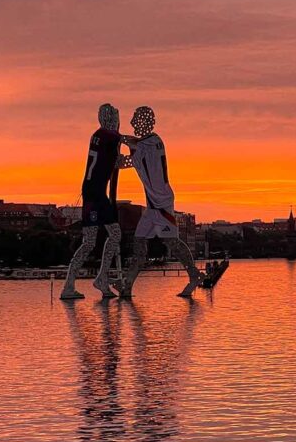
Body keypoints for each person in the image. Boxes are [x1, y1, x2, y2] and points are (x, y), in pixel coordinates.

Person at [115, 106, 202, 298]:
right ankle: (127, 285)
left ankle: (194, 275)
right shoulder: (143, 146)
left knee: (171, 242)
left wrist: (116, 137)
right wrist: (117, 154)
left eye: (135, 120)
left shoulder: (153, 142)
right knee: (139, 243)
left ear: (146, 122)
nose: (132, 123)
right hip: (151, 205)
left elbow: (133, 147)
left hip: (162, 204)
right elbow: (127, 161)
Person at [61, 103, 123, 300]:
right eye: (114, 117)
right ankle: (99, 278)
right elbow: (128, 148)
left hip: (90, 191)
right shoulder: (110, 136)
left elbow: (112, 162)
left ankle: (71, 284)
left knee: (93, 241)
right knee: (112, 235)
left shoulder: (96, 136)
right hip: (96, 194)